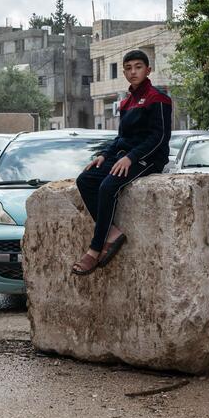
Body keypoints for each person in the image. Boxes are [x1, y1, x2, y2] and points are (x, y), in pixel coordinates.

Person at [72, 49, 172, 275]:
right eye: (128, 68)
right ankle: (113, 234)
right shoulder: (126, 102)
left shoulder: (159, 99)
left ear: (148, 70)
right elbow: (121, 138)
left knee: (108, 186)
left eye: (138, 67)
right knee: (86, 179)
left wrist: (132, 157)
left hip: (148, 159)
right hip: (124, 157)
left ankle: (95, 250)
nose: (133, 72)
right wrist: (105, 155)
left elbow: (160, 137)